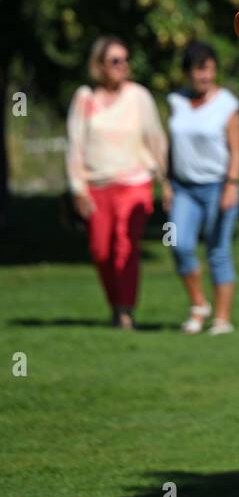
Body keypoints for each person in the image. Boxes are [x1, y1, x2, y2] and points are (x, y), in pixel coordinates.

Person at [66, 36, 168, 329]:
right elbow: (75, 145)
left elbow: (156, 140)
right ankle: (115, 305)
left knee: (125, 245)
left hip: (135, 182)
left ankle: (125, 310)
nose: (122, 66)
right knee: (100, 251)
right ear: (99, 65)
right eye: (114, 61)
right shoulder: (85, 98)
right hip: (96, 185)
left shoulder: (139, 96)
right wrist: (77, 188)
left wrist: (167, 181)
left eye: (125, 60)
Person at [165, 42, 239, 335]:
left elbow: (237, 150)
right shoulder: (175, 101)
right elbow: (170, 148)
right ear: (188, 73)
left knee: (217, 251)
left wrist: (231, 185)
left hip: (218, 186)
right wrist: (167, 184)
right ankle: (199, 304)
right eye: (199, 70)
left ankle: (221, 319)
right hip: (183, 188)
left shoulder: (226, 104)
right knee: (178, 243)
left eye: (210, 70)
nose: (205, 76)